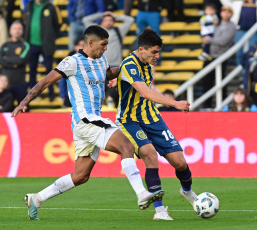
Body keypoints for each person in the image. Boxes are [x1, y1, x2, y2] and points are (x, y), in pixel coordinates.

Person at [11, 25, 164, 220]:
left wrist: (129, 66)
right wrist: (24, 103)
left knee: (81, 176)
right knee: (126, 145)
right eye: (103, 44)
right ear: (90, 42)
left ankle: (37, 198)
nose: (106, 48)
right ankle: (142, 194)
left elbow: (110, 73)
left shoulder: (102, 60)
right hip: (86, 119)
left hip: (88, 123)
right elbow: (45, 82)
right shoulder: (72, 62)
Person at [114, 28, 197, 220]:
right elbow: (145, 92)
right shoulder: (130, 65)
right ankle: (160, 211)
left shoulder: (147, 64)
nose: (156, 56)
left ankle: (187, 192)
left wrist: (118, 81)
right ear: (141, 49)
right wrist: (175, 103)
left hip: (152, 117)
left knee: (180, 162)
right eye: (153, 52)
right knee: (150, 154)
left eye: (158, 52)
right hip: (130, 120)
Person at [83, 11, 134, 107]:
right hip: (99, 66)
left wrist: (115, 15)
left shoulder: (119, 31)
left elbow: (130, 20)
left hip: (115, 66)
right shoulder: (95, 33)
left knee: (114, 89)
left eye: (111, 20)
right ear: (102, 21)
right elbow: (86, 20)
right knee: (98, 89)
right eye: (105, 20)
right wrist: (102, 14)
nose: (108, 22)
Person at [24, 0, 62, 102]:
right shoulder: (29, 6)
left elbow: (58, 23)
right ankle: (32, 96)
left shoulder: (50, 6)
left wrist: (50, 36)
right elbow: (25, 22)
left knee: (49, 71)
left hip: (46, 45)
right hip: (31, 44)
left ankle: (51, 93)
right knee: (32, 71)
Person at [201, 5, 236, 108]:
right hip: (210, 56)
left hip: (220, 57)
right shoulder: (217, 23)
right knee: (206, 81)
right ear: (220, 13)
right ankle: (206, 105)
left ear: (231, 14)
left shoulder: (231, 26)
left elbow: (223, 41)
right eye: (224, 11)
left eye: (228, 12)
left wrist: (209, 40)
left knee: (221, 83)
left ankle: (223, 105)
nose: (225, 14)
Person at [220, 0, 257, 65]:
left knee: (252, 51)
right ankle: (241, 71)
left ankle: (250, 72)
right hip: (239, 29)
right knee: (239, 52)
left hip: (254, 30)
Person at [0, 21, 30, 104]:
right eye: (15, 28)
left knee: (23, 109)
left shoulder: (25, 45)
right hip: (5, 85)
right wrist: (14, 63)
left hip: (20, 84)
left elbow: (21, 60)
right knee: (4, 110)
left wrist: (6, 59)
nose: (17, 31)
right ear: (10, 31)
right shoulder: (4, 45)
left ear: (22, 31)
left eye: (19, 29)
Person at [59, 37, 85, 107]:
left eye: (84, 46)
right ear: (75, 47)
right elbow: (62, 79)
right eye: (81, 45)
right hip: (70, 96)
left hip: (86, 96)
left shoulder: (92, 61)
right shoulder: (67, 61)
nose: (82, 47)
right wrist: (63, 95)